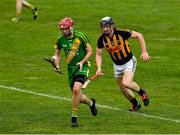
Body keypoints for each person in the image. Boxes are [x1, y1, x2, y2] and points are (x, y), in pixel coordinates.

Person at [96, 16, 150, 112]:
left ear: (112, 26)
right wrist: (99, 68)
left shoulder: (121, 33)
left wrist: (144, 51)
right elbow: (98, 54)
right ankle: (135, 104)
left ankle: (142, 93)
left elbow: (139, 35)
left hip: (129, 61)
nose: (104, 29)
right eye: (103, 27)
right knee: (123, 88)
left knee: (126, 83)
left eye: (107, 26)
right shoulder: (101, 39)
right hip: (116, 65)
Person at [53, 17, 97, 127]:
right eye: (62, 29)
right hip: (70, 69)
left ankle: (74, 117)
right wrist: (57, 65)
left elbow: (90, 51)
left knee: (76, 89)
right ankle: (91, 103)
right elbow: (57, 54)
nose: (63, 31)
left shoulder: (80, 36)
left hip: (82, 67)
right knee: (78, 96)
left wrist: (82, 61)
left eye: (65, 29)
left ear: (71, 27)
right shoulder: (60, 39)